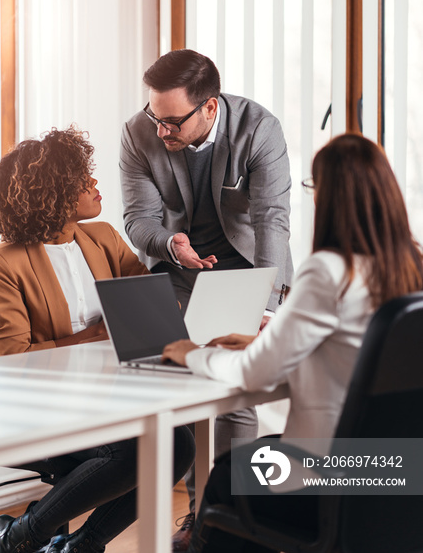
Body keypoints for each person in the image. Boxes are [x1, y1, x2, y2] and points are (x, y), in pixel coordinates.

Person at [162, 133, 423, 553]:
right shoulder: (411, 266)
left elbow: (253, 374)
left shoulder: (329, 270)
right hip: (398, 472)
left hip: (332, 477)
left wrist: (195, 354)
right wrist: (263, 343)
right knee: (258, 456)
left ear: (330, 196)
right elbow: (354, 355)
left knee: (229, 475)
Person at [0, 127, 195, 553]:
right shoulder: (4, 261)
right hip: (45, 401)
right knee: (131, 451)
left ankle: (79, 546)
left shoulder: (104, 237)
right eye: (83, 181)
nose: (96, 186)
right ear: (54, 194)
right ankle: (22, 537)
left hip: (109, 392)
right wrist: (98, 335)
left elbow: (149, 309)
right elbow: (10, 355)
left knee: (179, 441)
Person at [120, 49, 293, 549]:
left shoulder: (258, 129)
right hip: (179, 269)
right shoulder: (139, 131)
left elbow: (271, 222)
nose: (160, 131)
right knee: (186, 389)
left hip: (247, 270)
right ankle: (199, 518)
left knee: (236, 396)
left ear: (210, 108)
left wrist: (266, 308)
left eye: (172, 122)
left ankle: (238, 516)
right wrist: (169, 243)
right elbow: (138, 219)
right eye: (155, 116)